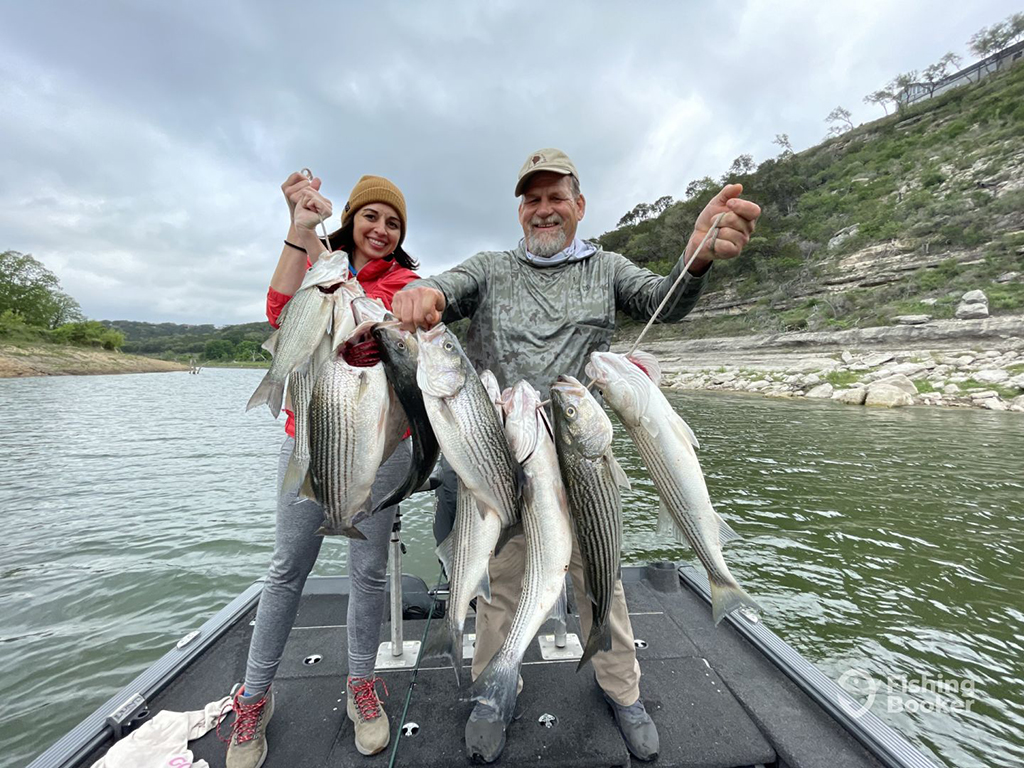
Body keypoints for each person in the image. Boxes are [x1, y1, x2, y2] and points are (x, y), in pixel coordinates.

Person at [393, 148, 761, 764]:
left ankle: (624, 690)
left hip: (587, 456)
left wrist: (694, 261)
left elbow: (661, 302)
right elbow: (442, 290)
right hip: (504, 460)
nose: (544, 210)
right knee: (503, 584)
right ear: (520, 210)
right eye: (532, 199)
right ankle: (494, 691)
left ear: (579, 206)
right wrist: (420, 292)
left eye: (556, 197)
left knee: (602, 581)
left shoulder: (608, 268)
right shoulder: (489, 267)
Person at [221, 172, 421, 767]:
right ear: (352, 220)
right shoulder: (325, 265)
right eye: (371, 217)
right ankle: (254, 698)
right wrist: (300, 227)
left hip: (382, 447)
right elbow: (280, 310)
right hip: (308, 438)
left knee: (367, 572)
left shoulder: (407, 281)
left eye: (393, 222)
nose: (381, 230)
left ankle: (362, 686)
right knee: (286, 569)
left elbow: (402, 329)